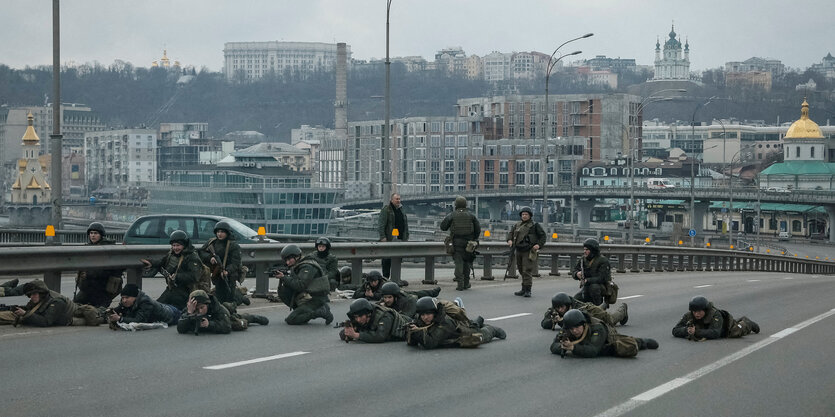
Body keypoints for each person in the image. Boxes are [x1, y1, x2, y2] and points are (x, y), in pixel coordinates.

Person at [141, 230, 207, 311]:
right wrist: (152, 263)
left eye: (178, 245)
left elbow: (194, 276)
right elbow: (162, 262)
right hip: (172, 289)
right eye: (173, 245)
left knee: (167, 311)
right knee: (155, 307)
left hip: (186, 292)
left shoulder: (192, 257)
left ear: (184, 245)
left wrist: (177, 277)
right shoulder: (171, 254)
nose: (175, 248)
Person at [550, 309, 658, 358]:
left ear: (583, 324)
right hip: (585, 344)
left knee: (621, 346)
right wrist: (563, 346)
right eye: (571, 329)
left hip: (608, 338)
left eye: (577, 327)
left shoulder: (597, 328)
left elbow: (593, 351)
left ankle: (642, 342)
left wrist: (573, 348)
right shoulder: (567, 328)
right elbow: (553, 346)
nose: (574, 331)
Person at [406, 296, 506, 349]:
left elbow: (431, 343)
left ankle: (491, 329)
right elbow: (413, 343)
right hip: (453, 329)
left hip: (461, 332)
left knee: (478, 334)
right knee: (471, 323)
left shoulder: (444, 324)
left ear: (434, 313)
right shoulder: (421, 320)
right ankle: (476, 322)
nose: (425, 317)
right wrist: (411, 330)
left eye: (428, 314)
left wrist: (417, 332)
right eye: (423, 315)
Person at [273, 244, 333, 325]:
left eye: (289, 259)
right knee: (285, 289)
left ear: (296, 257)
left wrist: (284, 277)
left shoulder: (307, 267)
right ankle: (303, 311)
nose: (287, 263)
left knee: (291, 319)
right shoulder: (299, 265)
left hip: (316, 299)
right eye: (286, 260)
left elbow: (300, 285)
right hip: (308, 297)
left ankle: (320, 311)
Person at [0, 280, 101, 327]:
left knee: (98, 315)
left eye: (34, 294)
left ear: (41, 293)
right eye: (30, 295)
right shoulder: (40, 298)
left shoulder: (56, 302)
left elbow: (46, 322)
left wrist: (25, 314)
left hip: (73, 318)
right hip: (58, 316)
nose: (31, 297)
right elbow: (30, 309)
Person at [199, 220, 250, 306]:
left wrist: (227, 271)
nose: (220, 234)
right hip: (217, 272)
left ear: (227, 233)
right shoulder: (212, 242)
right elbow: (201, 253)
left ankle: (240, 298)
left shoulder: (233, 246)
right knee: (220, 296)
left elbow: (235, 263)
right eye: (218, 232)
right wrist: (210, 257)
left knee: (229, 296)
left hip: (230, 274)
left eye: (222, 232)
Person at [74, 222, 124, 308]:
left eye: (96, 233)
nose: (93, 235)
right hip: (89, 288)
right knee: (75, 306)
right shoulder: (88, 248)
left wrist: (88, 274)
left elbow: (107, 270)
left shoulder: (108, 248)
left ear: (101, 235)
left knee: (97, 312)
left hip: (104, 288)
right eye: (91, 233)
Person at [672, 296, 760, 341]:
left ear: (705, 310)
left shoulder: (715, 314)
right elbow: (675, 330)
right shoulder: (689, 315)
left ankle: (748, 323)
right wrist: (686, 330)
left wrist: (696, 332)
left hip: (726, 329)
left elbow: (715, 333)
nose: (696, 314)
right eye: (694, 311)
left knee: (737, 331)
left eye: (699, 311)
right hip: (708, 329)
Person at [440, 196, 481, 291]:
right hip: (469, 244)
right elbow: (478, 230)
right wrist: (474, 239)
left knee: (458, 262)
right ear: (465, 204)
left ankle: (460, 283)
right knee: (467, 262)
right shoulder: (471, 216)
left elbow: (443, 227)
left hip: (456, 243)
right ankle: (466, 283)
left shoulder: (452, 215)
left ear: (456, 205)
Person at [506, 206, 546, 297]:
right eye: (523, 214)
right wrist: (509, 240)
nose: (524, 216)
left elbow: (543, 236)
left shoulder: (534, 225)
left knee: (526, 270)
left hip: (528, 250)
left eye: (526, 214)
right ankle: (523, 288)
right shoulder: (517, 225)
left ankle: (528, 290)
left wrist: (538, 245)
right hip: (518, 249)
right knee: (521, 269)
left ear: (530, 215)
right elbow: (510, 234)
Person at [541, 292, 628, 330]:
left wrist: (562, 320)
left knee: (610, 320)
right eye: (557, 308)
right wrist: (552, 321)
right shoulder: (554, 309)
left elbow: (582, 321)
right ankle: (604, 305)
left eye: (562, 307)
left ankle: (622, 309)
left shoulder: (578, 308)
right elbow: (544, 323)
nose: (560, 310)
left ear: (567, 304)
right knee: (601, 308)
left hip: (590, 311)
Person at [338, 298, 412, 343]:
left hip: (407, 328)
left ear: (368, 314)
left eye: (360, 316)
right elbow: (343, 334)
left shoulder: (384, 316)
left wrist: (356, 335)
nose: (358, 320)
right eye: (356, 317)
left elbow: (380, 336)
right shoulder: (360, 318)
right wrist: (349, 331)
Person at [107, 284, 180, 327]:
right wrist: (110, 312)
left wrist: (120, 319)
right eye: (122, 298)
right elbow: (119, 309)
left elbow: (139, 320)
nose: (124, 300)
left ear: (135, 297)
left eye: (127, 297)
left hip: (172, 315)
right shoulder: (125, 302)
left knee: (183, 315)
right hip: (163, 307)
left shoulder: (145, 302)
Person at [378, 193, 409, 286]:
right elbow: (381, 224)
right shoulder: (386, 210)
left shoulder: (401, 210)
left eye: (399, 199)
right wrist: (383, 237)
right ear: (391, 200)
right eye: (396, 199)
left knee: (397, 259)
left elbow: (405, 223)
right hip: (389, 239)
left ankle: (396, 279)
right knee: (387, 259)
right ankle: (385, 278)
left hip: (399, 239)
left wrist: (406, 236)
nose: (398, 201)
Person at [572, 238, 611, 306]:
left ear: (593, 250)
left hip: (600, 287)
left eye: (587, 250)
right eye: (584, 249)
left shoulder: (603, 261)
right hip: (586, 287)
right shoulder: (583, 259)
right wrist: (577, 274)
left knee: (594, 288)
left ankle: (599, 308)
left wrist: (588, 280)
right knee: (575, 300)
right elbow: (574, 270)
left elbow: (602, 278)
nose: (585, 251)